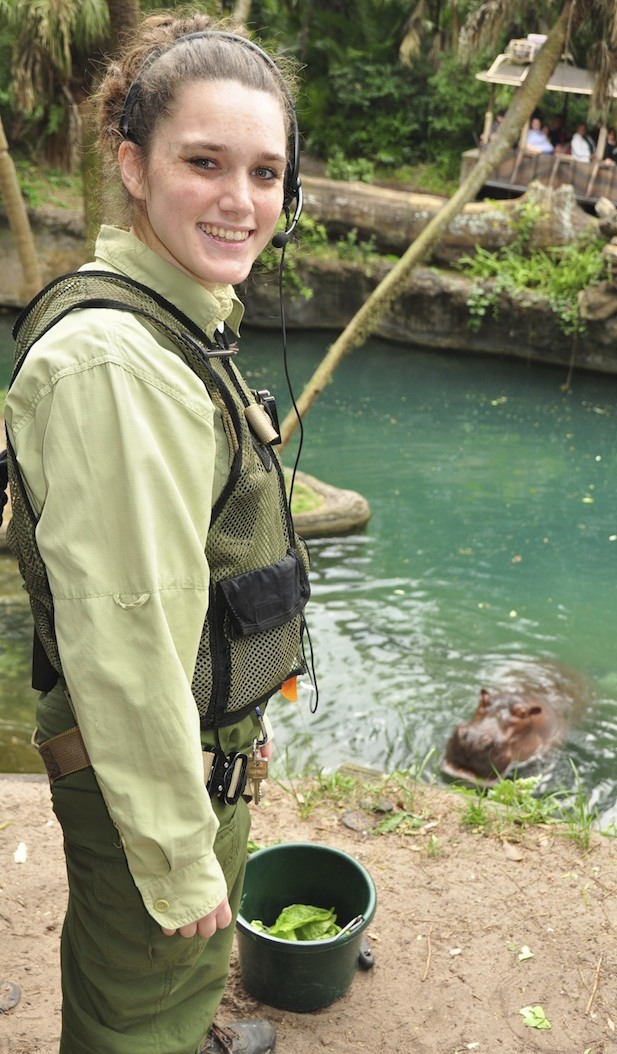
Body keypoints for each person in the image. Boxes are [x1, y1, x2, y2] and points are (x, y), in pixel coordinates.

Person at [4, 10, 311, 1054]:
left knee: (159, 988)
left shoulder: (177, 325)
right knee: (142, 1003)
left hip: (193, 756)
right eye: (205, 162)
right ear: (133, 167)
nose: (242, 199)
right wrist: (179, 855)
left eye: (266, 171)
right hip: (150, 774)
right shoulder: (118, 367)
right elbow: (125, 640)